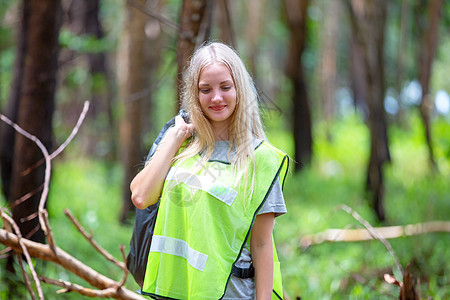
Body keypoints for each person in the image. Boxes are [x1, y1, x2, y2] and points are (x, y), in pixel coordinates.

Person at [130, 41, 289, 300]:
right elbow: (141, 196)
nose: (216, 97)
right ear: (195, 94)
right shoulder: (180, 146)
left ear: (240, 89)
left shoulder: (261, 158)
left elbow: (261, 245)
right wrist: (175, 137)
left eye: (225, 87)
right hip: (173, 291)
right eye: (205, 89)